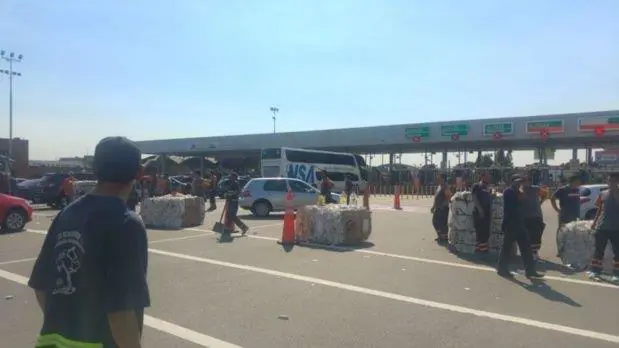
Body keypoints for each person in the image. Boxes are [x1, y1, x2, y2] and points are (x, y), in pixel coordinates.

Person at [28, 136, 150, 347]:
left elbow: (41, 286)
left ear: (95, 169)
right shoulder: (126, 223)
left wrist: (67, 327)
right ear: (139, 173)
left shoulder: (67, 214)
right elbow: (121, 309)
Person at [497, 175, 544, 279]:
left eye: (521, 182)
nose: (520, 183)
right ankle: (502, 269)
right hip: (510, 224)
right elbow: (520, 198)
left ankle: (530, 271)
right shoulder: (509, 191)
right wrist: (521, 189)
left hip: (520, 223)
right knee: (507, 248)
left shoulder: (519, 191)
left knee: (526, 248)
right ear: (512, 182)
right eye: (517, 181)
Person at [588, 173, 619, 282]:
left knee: (618, 252)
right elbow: (599, 210)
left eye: (615, 181)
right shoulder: (602, 194)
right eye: (610, 181)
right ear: (607, 181)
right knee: (598, 250)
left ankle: (616, 274)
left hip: (616, 228)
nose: (612, 183)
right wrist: (594, 222)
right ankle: (595, 271)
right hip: (602, 227)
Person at [551, 175, 581, 257]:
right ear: (573, 181)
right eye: (578, 181)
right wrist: (557, 209)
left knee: (572, 233)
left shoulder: (577, 189)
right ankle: (560, 250)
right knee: (562, 232)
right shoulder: (563, 189)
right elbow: (552, 198)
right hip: (564, 215)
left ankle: (570, 250)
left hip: (574, 216)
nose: (579, 182)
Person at [520, 175, 546, 260]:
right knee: (528, 236)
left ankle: (535, 252)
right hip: (526, 216)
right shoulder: (520, 190)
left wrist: (541, 201)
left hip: (537, 215)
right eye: (523, 181)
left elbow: (544, 194)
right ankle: (530, 253)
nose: (525, 183)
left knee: (537, 235)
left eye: (526, 181)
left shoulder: (535, 189)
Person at [471, 172, 493, 254]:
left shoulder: (488, 188)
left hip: (487, 213)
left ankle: (481, 249)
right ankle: (481, 250)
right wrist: (480, 210)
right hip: (479, 213)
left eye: (489, 177)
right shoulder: (477, 186)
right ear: (482, 177)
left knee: (485, 232)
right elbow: (474, 198)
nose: (488, 179)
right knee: (480, 232)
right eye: (487, 177)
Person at [431, 174, 451, 244]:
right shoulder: (440, 186)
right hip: (438, 207)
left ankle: (444, 237)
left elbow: (448, 196)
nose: (437, 179)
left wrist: (443, 205)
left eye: (439, 178)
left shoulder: (445, 186)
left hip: (443, 208)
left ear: (443, 179)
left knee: (442, 223)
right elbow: (436, 197)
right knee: (435, 221)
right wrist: (433, 206)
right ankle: (441, 236)